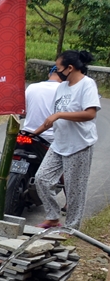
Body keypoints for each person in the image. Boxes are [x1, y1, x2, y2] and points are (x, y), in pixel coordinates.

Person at [34, 50, 101, 230]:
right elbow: (53, 118)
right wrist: (34, 132)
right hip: (59, 143)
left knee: (74, 189)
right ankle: (53, 217)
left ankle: (71, 228)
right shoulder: (62, 88)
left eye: (59, 68)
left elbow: (90, 114)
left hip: (79, 144)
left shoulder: (87, 85)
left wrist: (60, 114)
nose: (57, 71)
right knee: (41, 179)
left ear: (70, 68)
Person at [22, 65, 61, 143]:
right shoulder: (64, 90)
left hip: (27, 134)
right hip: (52, 137)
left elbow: (23, 112)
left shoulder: (31, 87)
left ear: (49, 74)